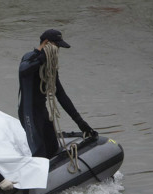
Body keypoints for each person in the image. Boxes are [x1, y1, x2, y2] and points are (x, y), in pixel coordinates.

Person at [18, 29, 95, 158]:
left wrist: (81, 123)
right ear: (47, 43)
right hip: (29, 115)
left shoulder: (50, 66)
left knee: (53, 148)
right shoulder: (30, 58)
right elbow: (23, 70)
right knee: (40, 154)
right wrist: (40, 59)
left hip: (42, 112)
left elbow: (61, 95)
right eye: (57, 46)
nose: (58, 50)